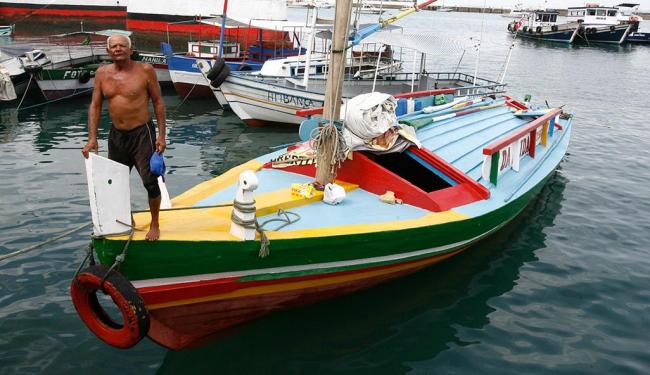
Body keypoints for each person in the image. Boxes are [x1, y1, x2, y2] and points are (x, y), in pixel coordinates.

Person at [82, 34, 166, 241]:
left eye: (122, 45)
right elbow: (95, 105)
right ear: (108, 51)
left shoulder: (145, 70)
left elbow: (158, 102)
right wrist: (92, 138)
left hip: (142, 133)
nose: (118, 48)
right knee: (116, 181)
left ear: (130, 49)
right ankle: (126, 218)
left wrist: (162, 136)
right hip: (117, 135)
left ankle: (155, 224)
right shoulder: (102, 74)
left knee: (150, 181)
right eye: (114, 46)